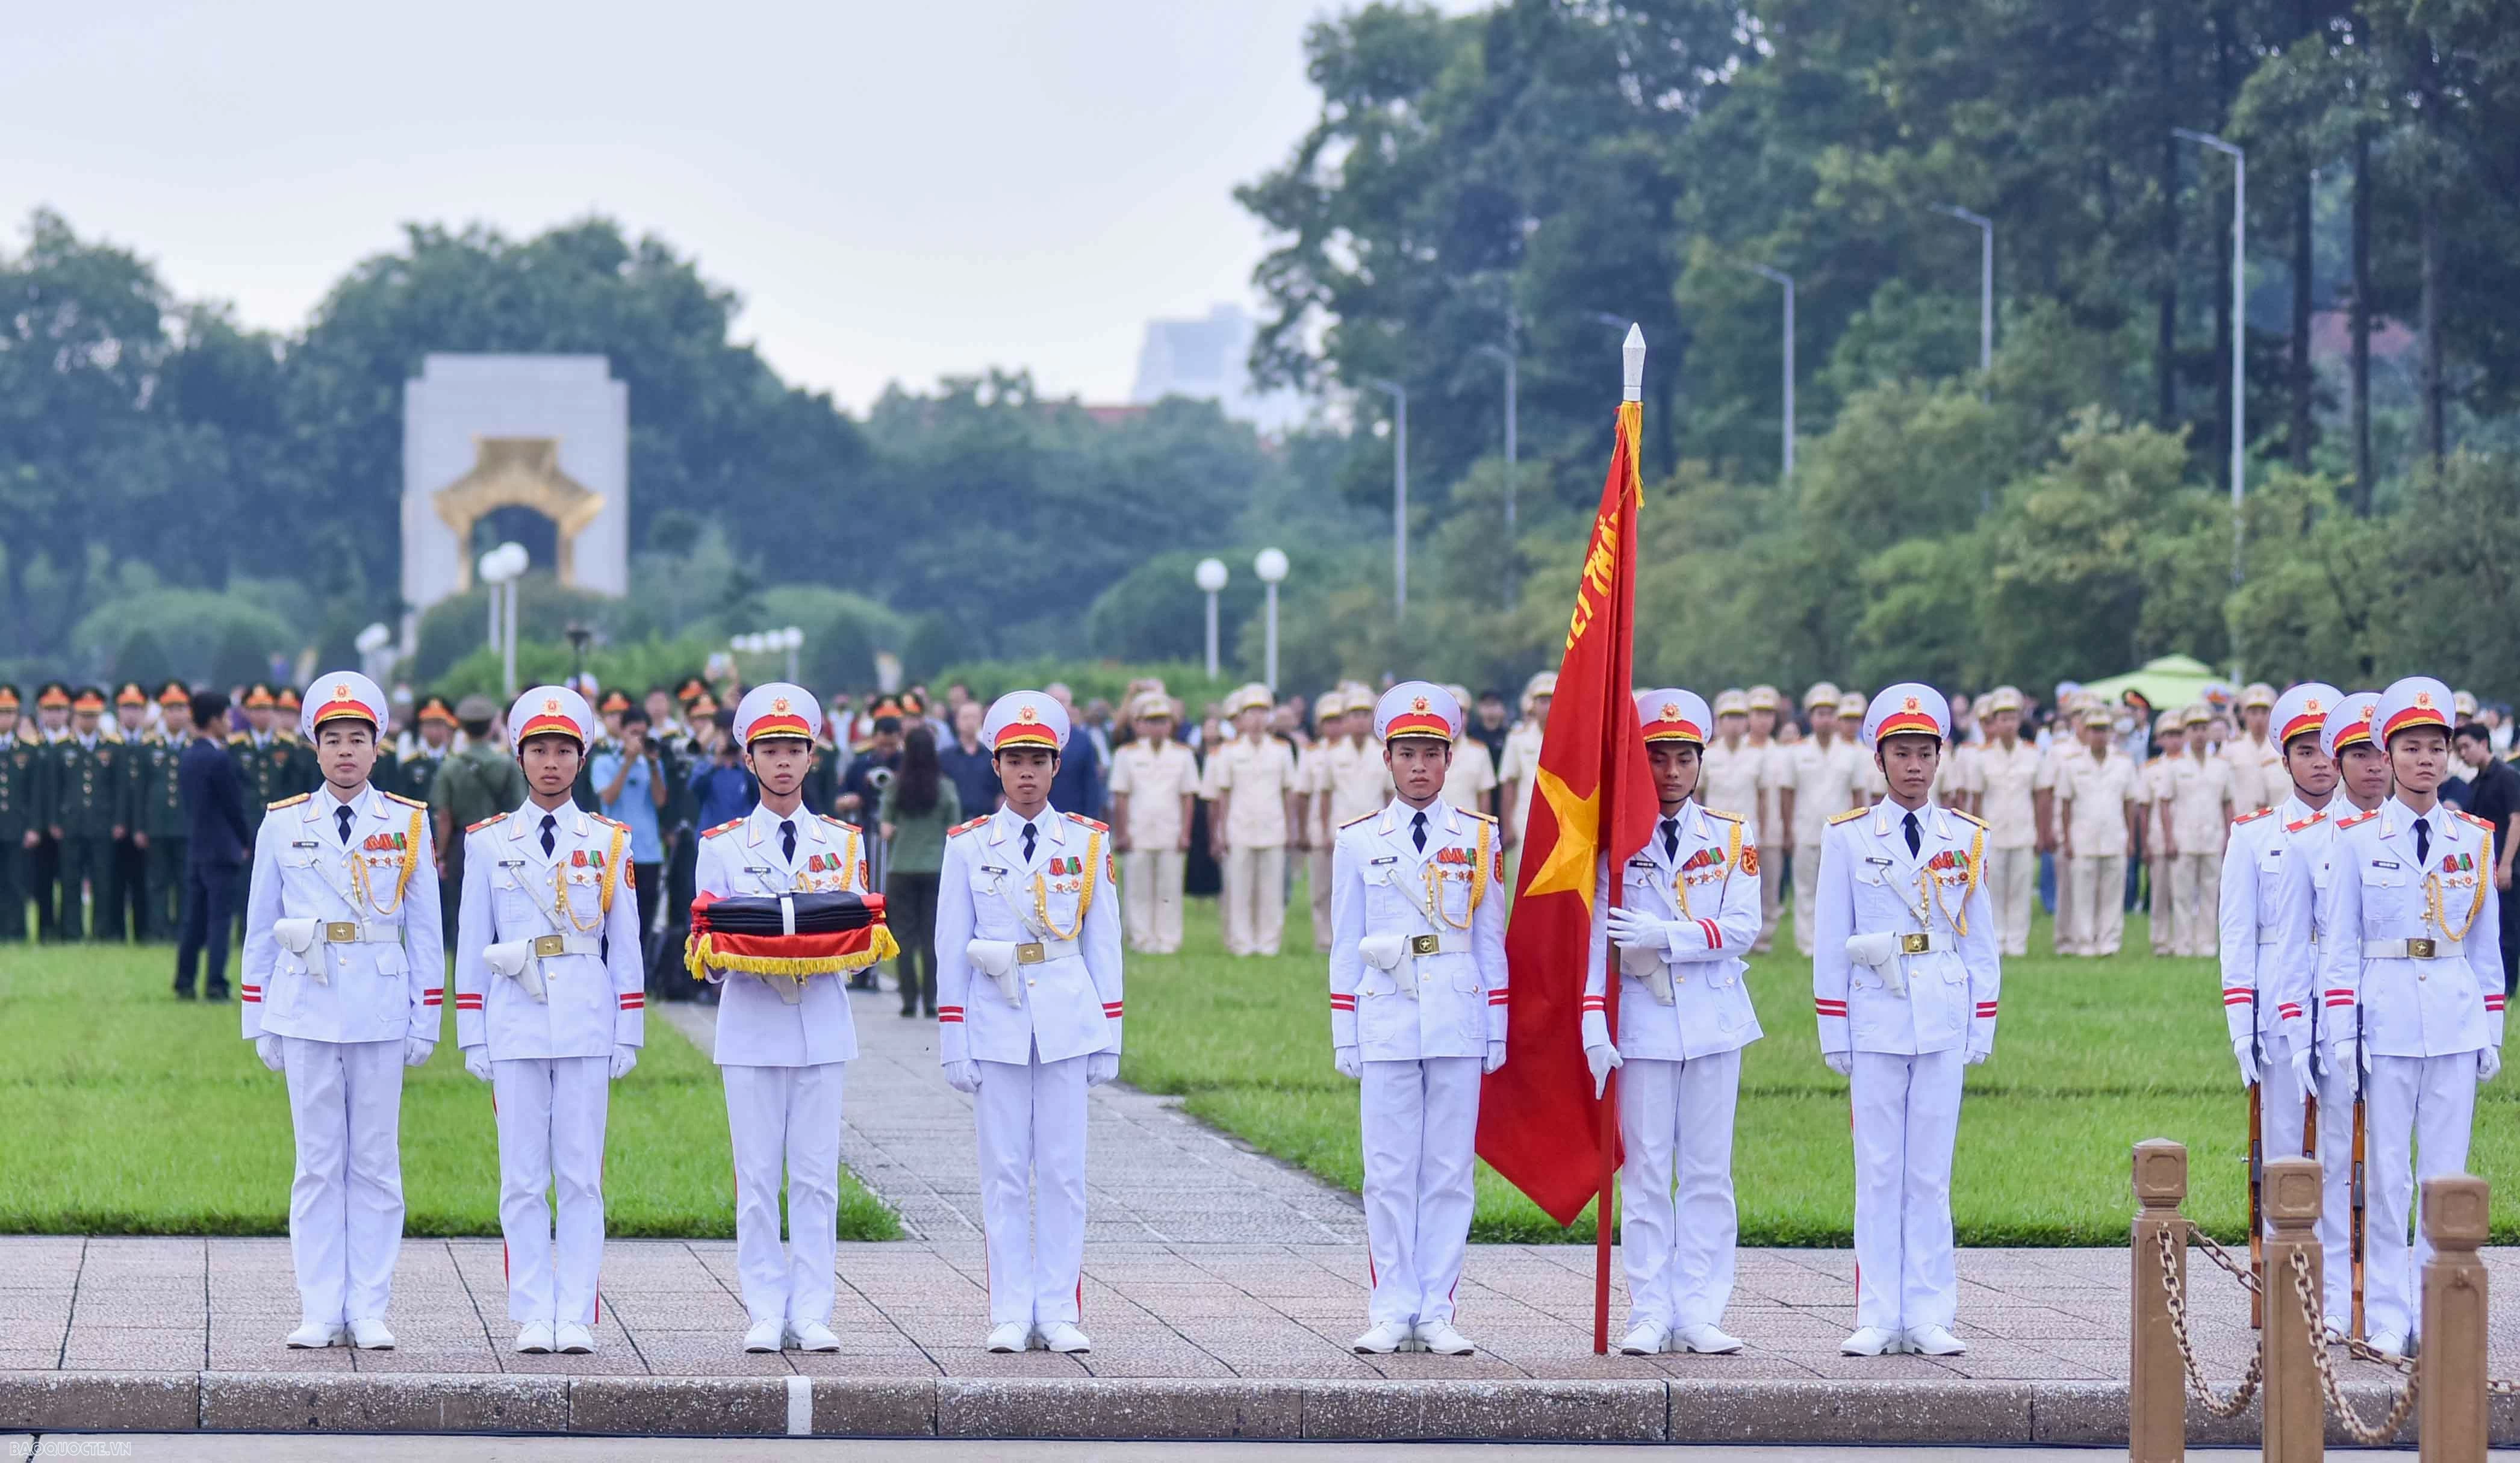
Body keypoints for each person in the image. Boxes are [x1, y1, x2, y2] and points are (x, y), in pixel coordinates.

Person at [2298, 676, 2503, 1358]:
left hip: (2452, 1018)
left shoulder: (2471, 839)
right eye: (2411, 747)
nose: (2425, 760)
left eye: (2436, 748)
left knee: (2445, 1177)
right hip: (2383, 1019)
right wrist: (2339, 1034)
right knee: (2385, 1178)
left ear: (2449, 756)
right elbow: (2341, 949)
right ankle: (2386, 1314)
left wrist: (2492, 1032)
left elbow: (2484, 949)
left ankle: (2434, 1307)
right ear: (2388, 753)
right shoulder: (2356, 840)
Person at [238, 672, 443, 1350]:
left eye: (359, 739)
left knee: (377, 1161)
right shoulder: (284, 822)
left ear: (378, 747)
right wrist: (258, 1015)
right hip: (305, 1005)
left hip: (382, 1005)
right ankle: (320, 1306)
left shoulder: (408, 822)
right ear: (315, 748)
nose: (346, 751)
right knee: (318, 1160)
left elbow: (429, 930)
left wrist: (426, 1016)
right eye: (334, 740)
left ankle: (370, 1306)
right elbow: (261, 922)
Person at [451, 685, 644, 1356]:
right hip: (515, 1020)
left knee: (582, 1175)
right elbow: (472, 940)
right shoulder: (488, 843)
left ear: (583, 757)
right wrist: (471, 1031)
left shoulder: (610, 840)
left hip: (589, 1017)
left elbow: (628, 945)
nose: (552, 763)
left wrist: (631, 1027)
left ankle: (577, 1311)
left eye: (565, 750)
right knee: (522, 1176)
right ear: (520, 756)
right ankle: (534, 1309)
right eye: (539, 750)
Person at [935, 691, 1124, 1354]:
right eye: (1014, 760)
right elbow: (950, 947)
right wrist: (952, 1038)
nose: (1026, 773)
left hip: (1069, 1017)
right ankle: (1012, 1310)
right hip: (997, 1018)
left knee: (1065, 1170)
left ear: (1055, 765)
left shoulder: (1087, 842)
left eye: (1038, 761)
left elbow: (1105, 943)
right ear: (996, 765)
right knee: (1005, 1171)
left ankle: (1060, 1308)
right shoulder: (967, 846)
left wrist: (1112, 1032)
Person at [1812, 684, 1998, 1357]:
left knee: (1930, 1172)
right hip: (1877, 1013)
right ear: (1880, 760)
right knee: (1879, 1168)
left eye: (1925, 753)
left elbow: (1981, 940)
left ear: (1941, 757)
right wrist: (1834, 1026)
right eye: (1901, 753)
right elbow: (1831, 934)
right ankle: (1876, 1313)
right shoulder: (1851, 838)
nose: (1914, 766)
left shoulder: (1967, 837)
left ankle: (1928, 1313)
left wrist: (1983, 1022)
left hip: (1943, 1009)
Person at [1327, 682, 1506, 1356]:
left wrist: (1496, 1025)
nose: (1421, 766)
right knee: (1388, 1169)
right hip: (1387, 1014)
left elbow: (1491, 940)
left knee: (1449, 1170)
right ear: (1388, 759)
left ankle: (1437, 1307)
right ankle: (1391, 1304)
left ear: (1451, 757)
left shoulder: (1480, 838)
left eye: (1432, 753)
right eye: (1408, 753)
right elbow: (1345, 942)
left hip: (1458, 1010)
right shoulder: (1358, 842)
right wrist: (1345, 1027)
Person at [1580, 689, 1761, 1356]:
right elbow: (1596, 930)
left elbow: (1743, 928)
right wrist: (1593, 1019)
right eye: (1659, 759)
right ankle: (1651, 1308)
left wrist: (1670, 934)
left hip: (1713, 1019)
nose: (1673, 772)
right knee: (1648, 1170)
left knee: (1710, 1172)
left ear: (1700, 762)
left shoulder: (1732, 837)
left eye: (1684, 758)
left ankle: (1702, 1309)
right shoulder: (1617, 844)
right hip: (1645, 1022)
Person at [694, 683, 872, 1353]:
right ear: (749, 759)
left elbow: (858, 942)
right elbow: (705, 942)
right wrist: (738, 950)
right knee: (759, 1177)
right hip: (751, 1024)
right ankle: (766, 1307)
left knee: (817, 1176)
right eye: (769, 750)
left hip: (822, 1021)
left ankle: (815, 1308)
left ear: (812, 756)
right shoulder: (723, 845)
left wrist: (818, 945)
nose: (783, 763)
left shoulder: (843, 841)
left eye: (794, 749)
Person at [2268, 688, 2385, 1335]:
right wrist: (2299, 1032)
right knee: (2339, 1162)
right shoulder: (2311, 842)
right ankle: (2339, 1296)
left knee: (2398, 1167)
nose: (2373, 767)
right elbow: (2291, 951)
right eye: (2358, 754)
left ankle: (2397, 1298)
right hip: (2338, 1018)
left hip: (2405, 1017)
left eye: (2380, 753)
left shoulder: (2436, 834)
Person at [2215, 683, 2341, 1215]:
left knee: (2342, 1144)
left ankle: (2339, 1275)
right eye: (2304, 752)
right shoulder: (2253, 834)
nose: (2318, 764)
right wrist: (2240, 1022)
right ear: (2283, 760)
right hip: (2273, 1002)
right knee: (2282, 1143)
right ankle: (2282, 1270)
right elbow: (2237, 933)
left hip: (2343, 997)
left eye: (2327, 751)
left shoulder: (2363, 832)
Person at [429, 695, 530, 953]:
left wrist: (441, 855)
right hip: (500, 844)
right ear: (492, 726)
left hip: (460, 846)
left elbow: (444, 816)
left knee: (462, 912)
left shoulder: (450, 767)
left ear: (461, 727)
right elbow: (519, 809)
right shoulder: (506, 764)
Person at [1206, 683, 1299, 958]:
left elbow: (1288, 792)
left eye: (1262, 712)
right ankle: (1242, 943)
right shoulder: (1229, 752)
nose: (1257, 719)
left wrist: (1291, 827)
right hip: (1239, 827)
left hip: (1273, 827)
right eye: (1251, 713)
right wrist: (1219, 832)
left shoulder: (1281, 750)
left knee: (1271, 891)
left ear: (1269, 716)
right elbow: (1223, 795)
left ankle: (1269, 943)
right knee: (1239, 890)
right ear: (1242, 718)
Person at [175, 690, 254, 1001]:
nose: (230, 722)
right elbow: (234, 807)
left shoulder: (189, 756)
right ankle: (216, 983)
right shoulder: (219, 760)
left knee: (194, 919)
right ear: (214, 720)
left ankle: (185, 980)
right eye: (226, 716)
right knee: (220, 921)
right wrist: (247, 840)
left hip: (198, 847)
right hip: (222, 850)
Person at [1108, 692, 1198, 954]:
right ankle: (1141, 939)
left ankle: (1168, 940)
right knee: (1137, 890)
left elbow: (1188, 797)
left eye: (1163, 721)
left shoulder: (1183, 755)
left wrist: (1185, 833)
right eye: (1152, 721)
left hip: (1170, 829)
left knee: (1169, 889)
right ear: (1140, 724)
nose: (1158, 727)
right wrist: (1122, 832)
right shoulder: (1126, 755)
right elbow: (1120, 796)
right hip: (1138, 830)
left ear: (1171, 725)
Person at [880, 722, 959, 1017]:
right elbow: (954, 829)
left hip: (902, 867)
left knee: (903, 936)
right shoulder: (946, 786)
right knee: (932, 936)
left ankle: (908, 1000)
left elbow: (886, 830)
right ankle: (931, 1000)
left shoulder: (895, 786)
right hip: (936, 867)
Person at [1307, 689, 1396, 953]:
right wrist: (1323, 830)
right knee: (1330, 889)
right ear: (1346, 720)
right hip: (1339, 829)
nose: (1359, 721)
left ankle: (1368, 938)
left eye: (1365, 715)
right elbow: (1325, 795)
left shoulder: (1383, 752)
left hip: (1373, 832)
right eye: (1354, 715)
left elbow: (1389, 794)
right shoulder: (1332, 754)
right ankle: (1327, 940)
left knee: (1373, 888)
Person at [1784, 682, 1862, 957]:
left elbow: (1858, 795)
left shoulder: (1852, 754)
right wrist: (1787, 830)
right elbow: (1787, 793)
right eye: (1819, 713)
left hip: (1840, 832)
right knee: (1806, 890)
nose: (1825, 719)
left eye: (1830, 713)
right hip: (1805, 828)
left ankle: (1835, 941)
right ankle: (1807, 943)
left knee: (1838, 892)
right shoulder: (1796, 752)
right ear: (1810, 717)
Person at [2055, 705, 2138, 958]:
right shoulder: (2072, 764)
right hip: (2083, 836)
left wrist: (2131, 838)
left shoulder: (2124, 763)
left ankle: (2109, 942)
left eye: (2104, 730)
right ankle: (2085, 943)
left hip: (2115, 835)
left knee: (2113, 893)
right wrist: (2067, 838)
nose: (2099, 735)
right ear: (2086, 732)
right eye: (2094, 730)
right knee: (2083, 893)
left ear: (2111, 733)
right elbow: (2066, 802)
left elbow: (2130, 802)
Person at [44, 688, 126, 942]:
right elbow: (53, 788)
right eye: (83, 715)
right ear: (74, 715)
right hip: (71, 823)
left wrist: (120, 821)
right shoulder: (62, 747)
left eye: (93, 715)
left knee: (103, 880)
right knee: (70, 881)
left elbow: (121, 788)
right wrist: (54, 821)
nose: (88, 720)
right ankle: (71, 931)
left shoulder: (113, 747)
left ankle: (101, 931)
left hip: (102, 823)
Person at [1969, 688, 2045, 958]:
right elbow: (1976, 800)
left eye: (2013, 718)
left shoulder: (2033, 754)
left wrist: (2042, 831)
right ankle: (1997, 939)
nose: (2008, 724)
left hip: (2024, 830)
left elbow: (2040, 796)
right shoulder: (1982, 756)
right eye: (2002, 718)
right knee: (1994, 889)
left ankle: (2017, 942)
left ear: (2020, 720)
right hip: (1993, 833)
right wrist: (1975, 835)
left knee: (2021, 889)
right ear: (1995, 722)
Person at [591, 705, 669, 956]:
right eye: (634, 733)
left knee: (644, 916)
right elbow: (609, 796)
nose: (639, 739)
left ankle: (641, 974)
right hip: (614, 851)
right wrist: (627, 762)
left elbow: (660, 801)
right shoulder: (604, 761)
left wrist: (655, 766)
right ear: (622, 732)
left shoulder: (651, 764)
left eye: (643, 734)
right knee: (609, 916)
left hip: (647, 851)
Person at [2163, 704, 2236, 958]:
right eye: (2194, 729)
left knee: (2210, 894)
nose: (2199, 734)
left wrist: (2229, 836)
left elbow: (2228, 803)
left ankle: (2206, 944)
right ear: (2186, 733)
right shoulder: (2174, 766)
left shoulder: (2222, 766)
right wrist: (2169, 838)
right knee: (2182, 895)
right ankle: (2183, 944)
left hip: (2212, 837)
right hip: (2184, 838)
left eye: (2203, 729)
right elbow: (2164, 802)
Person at [2454, 722, 2520, 997]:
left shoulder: (2507, 776)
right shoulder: (2476, 783)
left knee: (2508, 930)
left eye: (2467, 746)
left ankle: (2507, 990)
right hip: (2482, 868)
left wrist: (2505, 864)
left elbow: (2516, 820)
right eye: (2459, 750)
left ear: (2484, 744)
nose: (2464, 754)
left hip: (2507, 866)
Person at [1496, 672, 1554, 859]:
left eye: (1552, 700)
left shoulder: (1572, 739)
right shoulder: (1518, 738)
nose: (1547, 707)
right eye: (1542, 701)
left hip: (1562, 821)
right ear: (1533, 705)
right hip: (1526, 819)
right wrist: (1507, 826)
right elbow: (1508, 783)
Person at [2141, 713, 2183, 957]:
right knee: (2159, 892)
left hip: (2187, 836)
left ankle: (2182, 940)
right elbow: (2144, 809)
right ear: (2159, 739)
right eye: (2169, 735)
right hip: (2159, 836)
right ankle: (2160, 940)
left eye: (2178, 735)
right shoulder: (2152, 769)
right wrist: (2145, 841)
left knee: (2184, 893)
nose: (2175, 741)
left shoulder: (2192, 764)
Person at [0, 688, 33, 943]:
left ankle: (16, 932)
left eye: (9, 712)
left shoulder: (27, 751)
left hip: (16, 826)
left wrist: (33, 827)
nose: (4, 718)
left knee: (15, 882)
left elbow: (34, 794)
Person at [1439, 683, 1500, 819]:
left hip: (1468, 828)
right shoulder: (1429, 751)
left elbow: (1484, 796)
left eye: (1460, 713)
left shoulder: (1479, 751)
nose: (1455, 718)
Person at [939, 699, 1001, 825]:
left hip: (987, 822)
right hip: (954, 822)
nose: (970, 722)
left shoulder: (992, 756)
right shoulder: (944, 757)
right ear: (957, 721)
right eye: (965, 718)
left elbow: (1000, 793)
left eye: (974, 717)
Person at [2226, 683, 2283, 815]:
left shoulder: (2280, 748)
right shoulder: (2233, 749)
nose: (2259, 719)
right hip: (2242, 817)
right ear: (2244, 715)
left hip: (2274, 818)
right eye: (2254, 713)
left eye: (2264, 713)